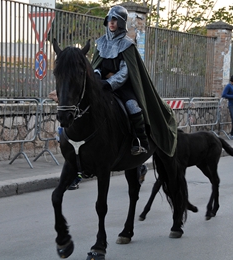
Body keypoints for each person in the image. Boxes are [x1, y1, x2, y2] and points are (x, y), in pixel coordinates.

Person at [49, 5, 177, 158]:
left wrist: (109, 83)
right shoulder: (101, 43)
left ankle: (141, 141)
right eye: (109, 19)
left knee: (133, 106)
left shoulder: (128, 44)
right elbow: (95, 65)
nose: (111, 23)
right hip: (101, 85)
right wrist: (97, 79)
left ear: (121, 23)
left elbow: (125, 71)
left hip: (122, 87)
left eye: (115, 20)